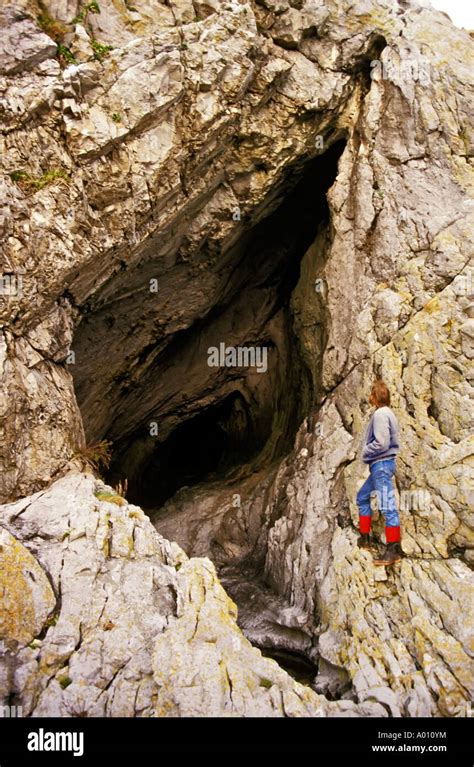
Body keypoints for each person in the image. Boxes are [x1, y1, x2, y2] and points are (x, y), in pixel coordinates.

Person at [356, 379, 402, 566]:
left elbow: (382, 442)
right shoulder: (387, 413)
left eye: (371, 393)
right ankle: (365, 538)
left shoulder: (381, 414)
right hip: (381, 465)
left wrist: (365, 451)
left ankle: (393, 550)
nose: (369, 397)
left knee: (387, 505)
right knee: (362, 497)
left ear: (375, 396)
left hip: (381, 464)